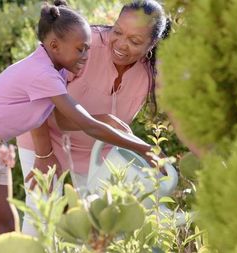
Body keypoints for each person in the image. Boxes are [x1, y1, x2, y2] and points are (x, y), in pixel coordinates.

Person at [16, 0, 170, 236]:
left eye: (135, 41)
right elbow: (34, 99)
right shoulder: (82, 46)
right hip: (42, 137)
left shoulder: (151, 73)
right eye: (117, 31)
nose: (120, 44)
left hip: (94, 154)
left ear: (152, 44)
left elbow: (182, 115)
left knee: (92, 228)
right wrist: (43, 154)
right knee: (42, 215)